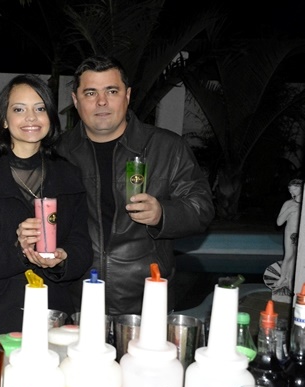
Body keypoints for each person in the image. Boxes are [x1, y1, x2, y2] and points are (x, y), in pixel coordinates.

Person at [56, 55, 214, 316]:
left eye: (112, 91)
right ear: (76, 100)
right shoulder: (57, 153)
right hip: (75, 300)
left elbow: (202, 208)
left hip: (146, 302)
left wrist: (162, 213)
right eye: (91, 93)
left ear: (127, 95)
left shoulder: (167, 148)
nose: (102, 101)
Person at [0, 74, 93, 334]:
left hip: (54, 315)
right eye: (19, 109)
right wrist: (19, 251)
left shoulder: (69, 175)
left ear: (50, 117)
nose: (31, 118)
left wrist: (62, 259)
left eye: (40, 108)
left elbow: (83, 250)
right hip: (1, 316)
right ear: (4, 120)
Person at [274, 178, 303, 295]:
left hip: (302, 235)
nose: (292, 192)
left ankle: (291, 280)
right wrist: (291, 209)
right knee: (289, 256)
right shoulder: (288, 204)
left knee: (296, 258)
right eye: (290, 190)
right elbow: (279, 222)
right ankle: (282, 278)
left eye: (295, 189)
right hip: (290, 233)